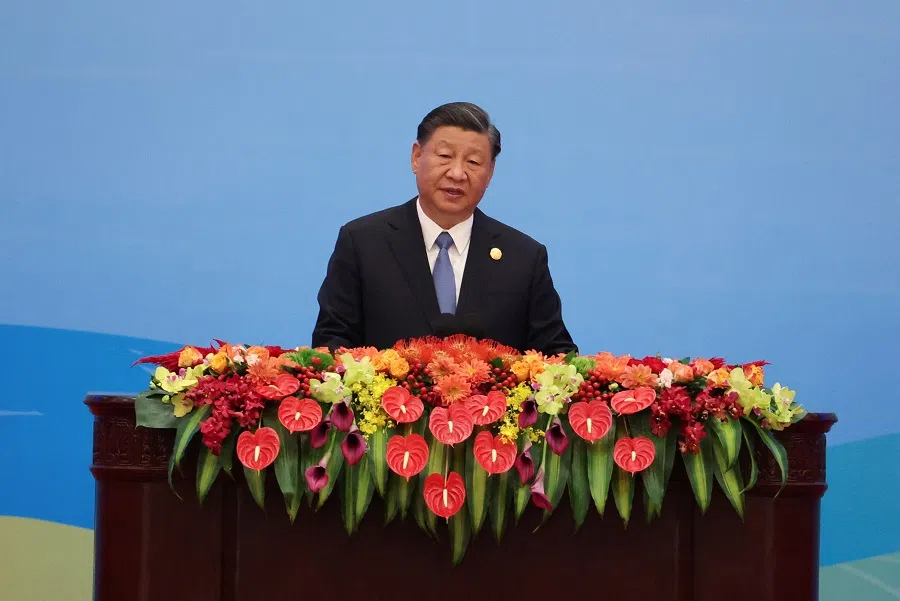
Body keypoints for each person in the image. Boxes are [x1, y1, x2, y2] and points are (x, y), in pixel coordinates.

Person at [311, 102, 577, 356]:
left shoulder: (524, 257)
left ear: (490, 172)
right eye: (445, 156)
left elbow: (556, 355)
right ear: (417, 157)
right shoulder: (363, 243)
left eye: (473, 162)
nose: (457, 173)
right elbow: (332, 344)